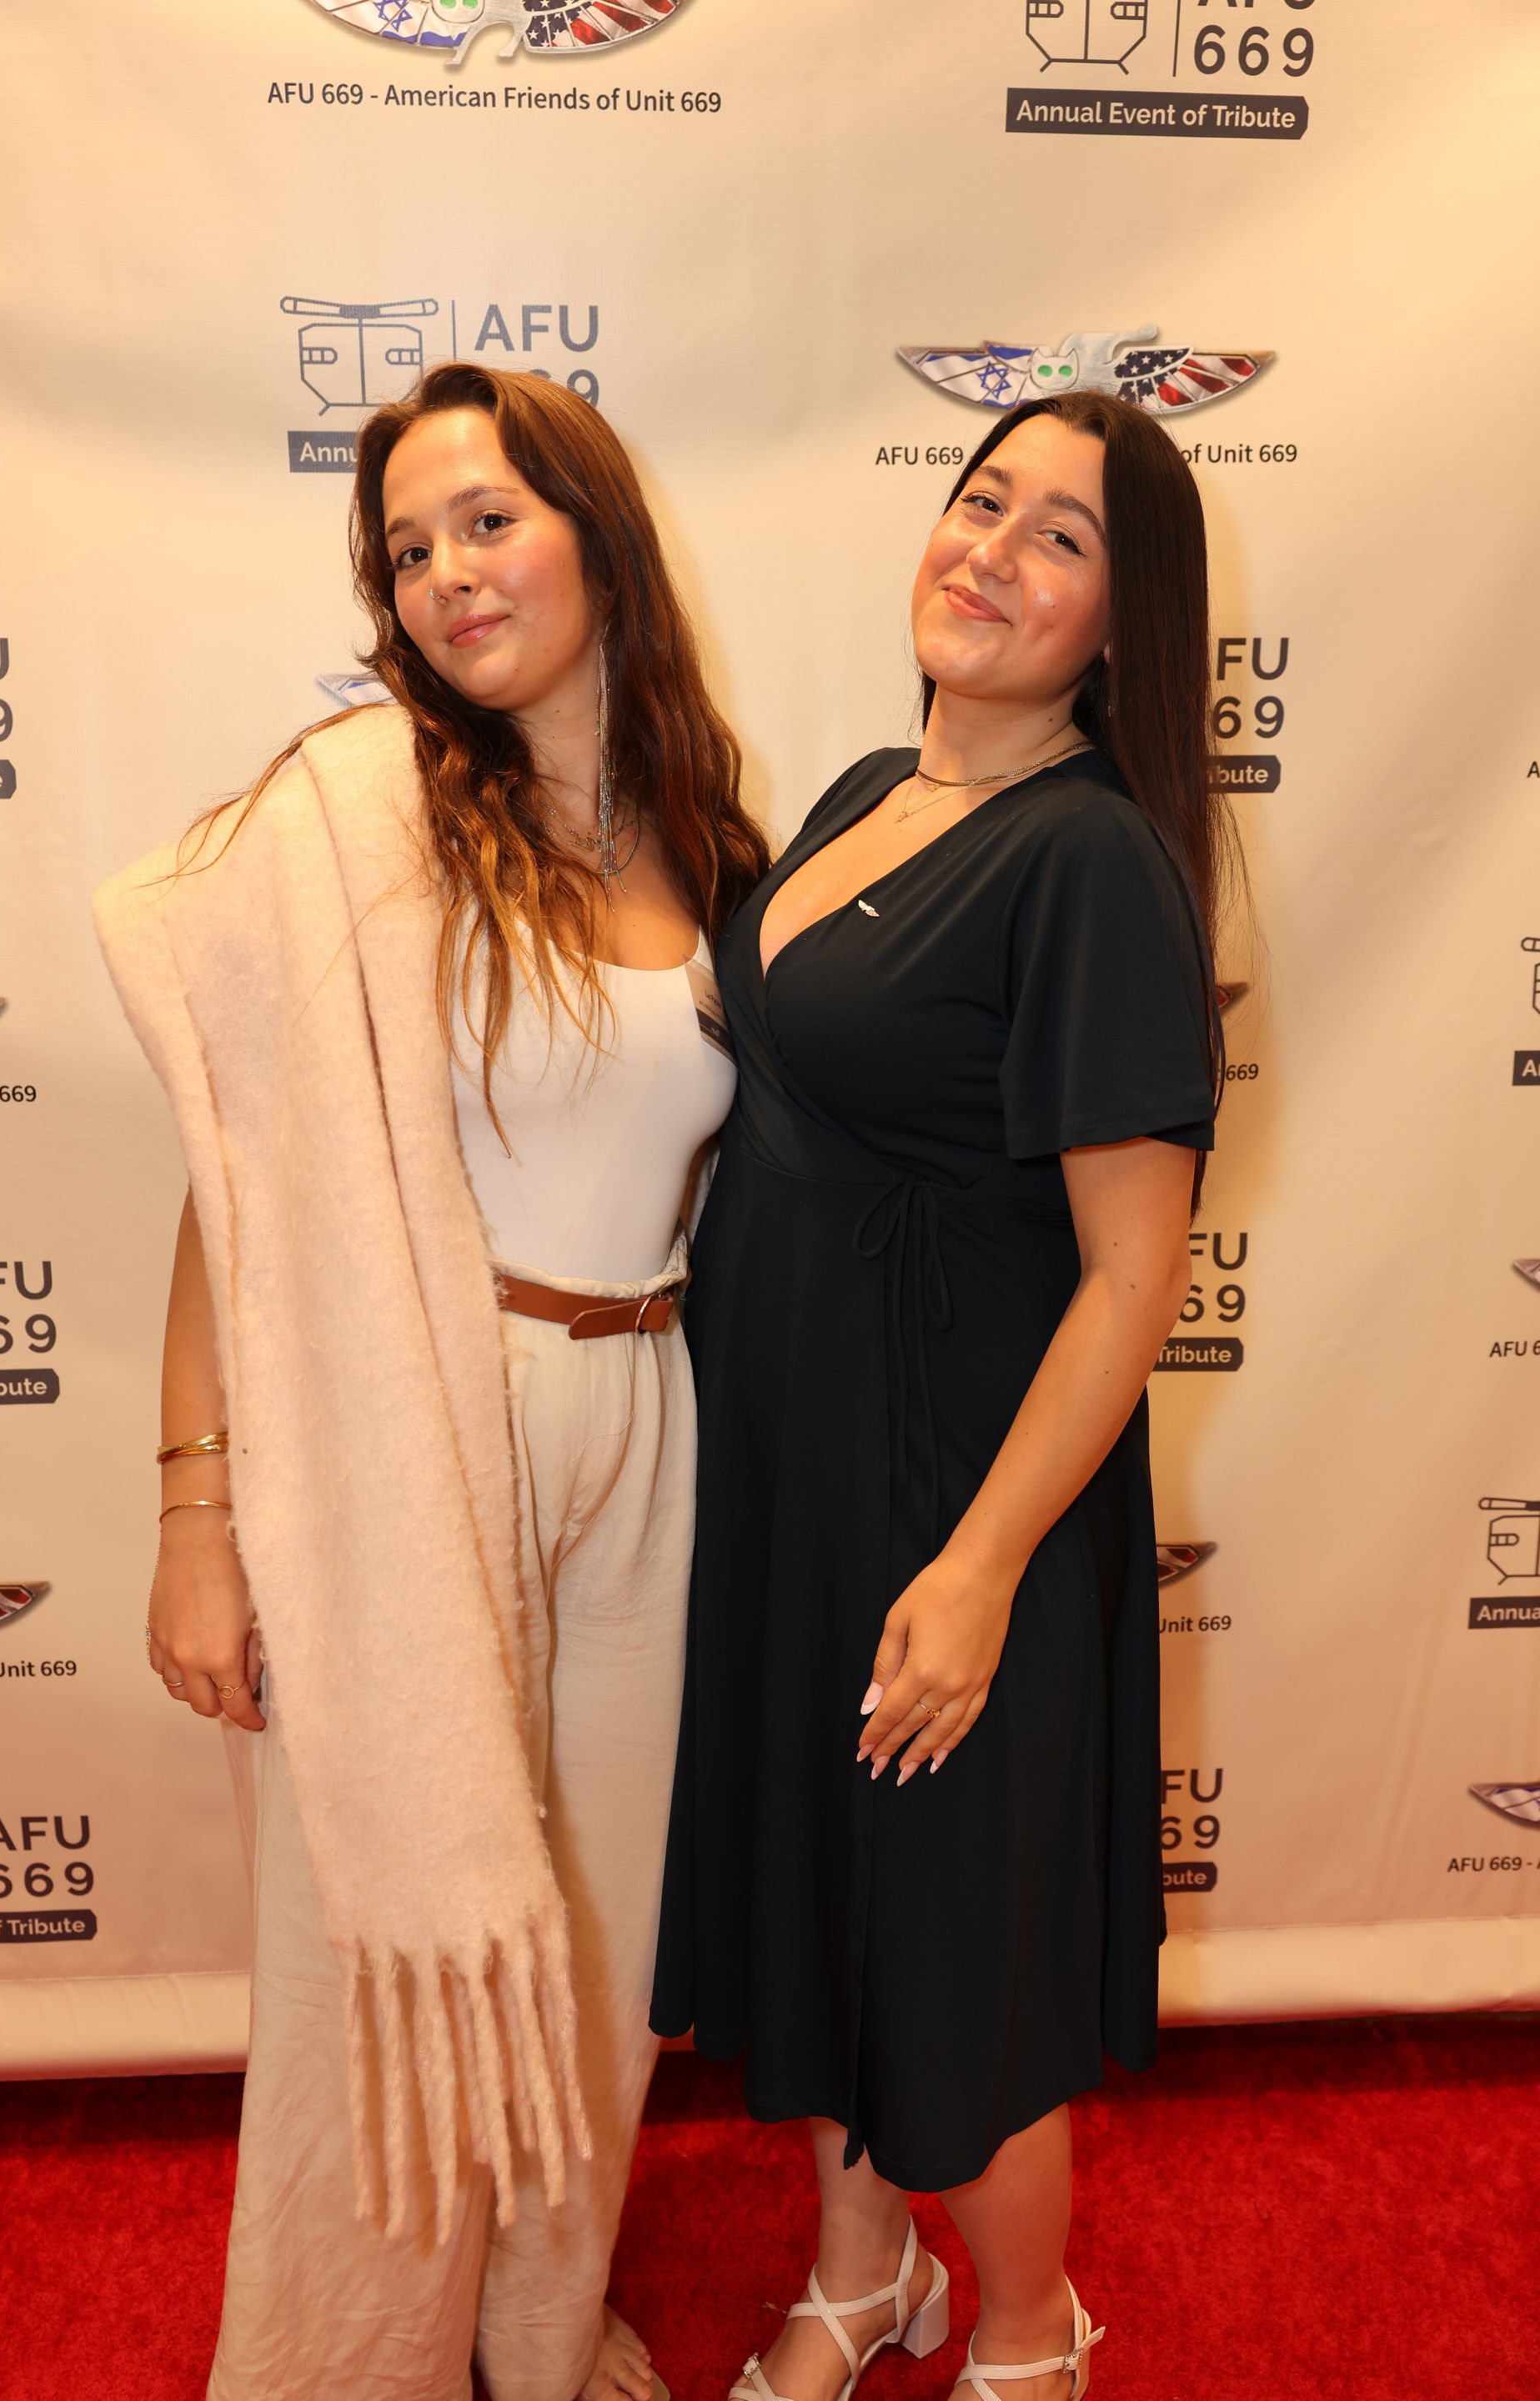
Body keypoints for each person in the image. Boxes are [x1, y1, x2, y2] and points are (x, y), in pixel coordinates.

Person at [96, 362, 768, 2401]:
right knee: (383, 1951)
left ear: (596, 535)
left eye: (489, 520)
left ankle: (537, 2326)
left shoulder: (709, 840)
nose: (450, 574)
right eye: (408, 546)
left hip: (652, 1423)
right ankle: (352, 2361)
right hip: (414, 1431)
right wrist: (197, 1515)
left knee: (594, 1948)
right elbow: (241, 1187)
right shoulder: (360, 813)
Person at [651, 391, 1231, 2401]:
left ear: (1123, 621)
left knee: (951, 1960)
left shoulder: (1092, 864)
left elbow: (1134, 1277)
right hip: (799, 1477)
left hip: (957, 1495)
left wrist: (979, 1570)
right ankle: (859, 2272)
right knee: (832, 1905)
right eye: (984, 502)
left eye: (1060, 536)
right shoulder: (861, 795)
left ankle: (1030, 2330)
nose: (991, 551)